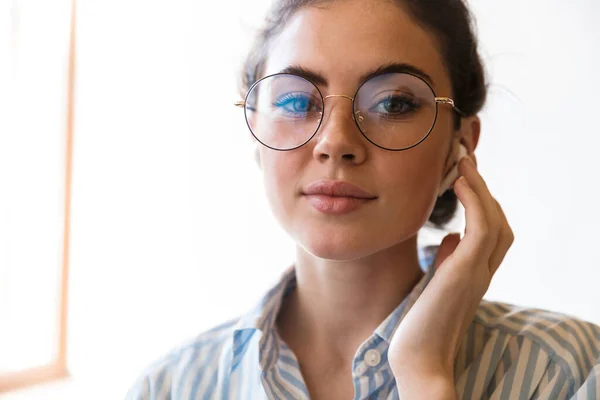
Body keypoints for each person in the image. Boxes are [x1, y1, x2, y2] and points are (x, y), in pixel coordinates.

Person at [126, 0, 600, 399]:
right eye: (295, 102)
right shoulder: (170, 386)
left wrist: (424, 373)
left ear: (461, 147)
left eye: (393, 103)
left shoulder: (566, 372)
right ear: (257, 133)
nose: (334, 141)